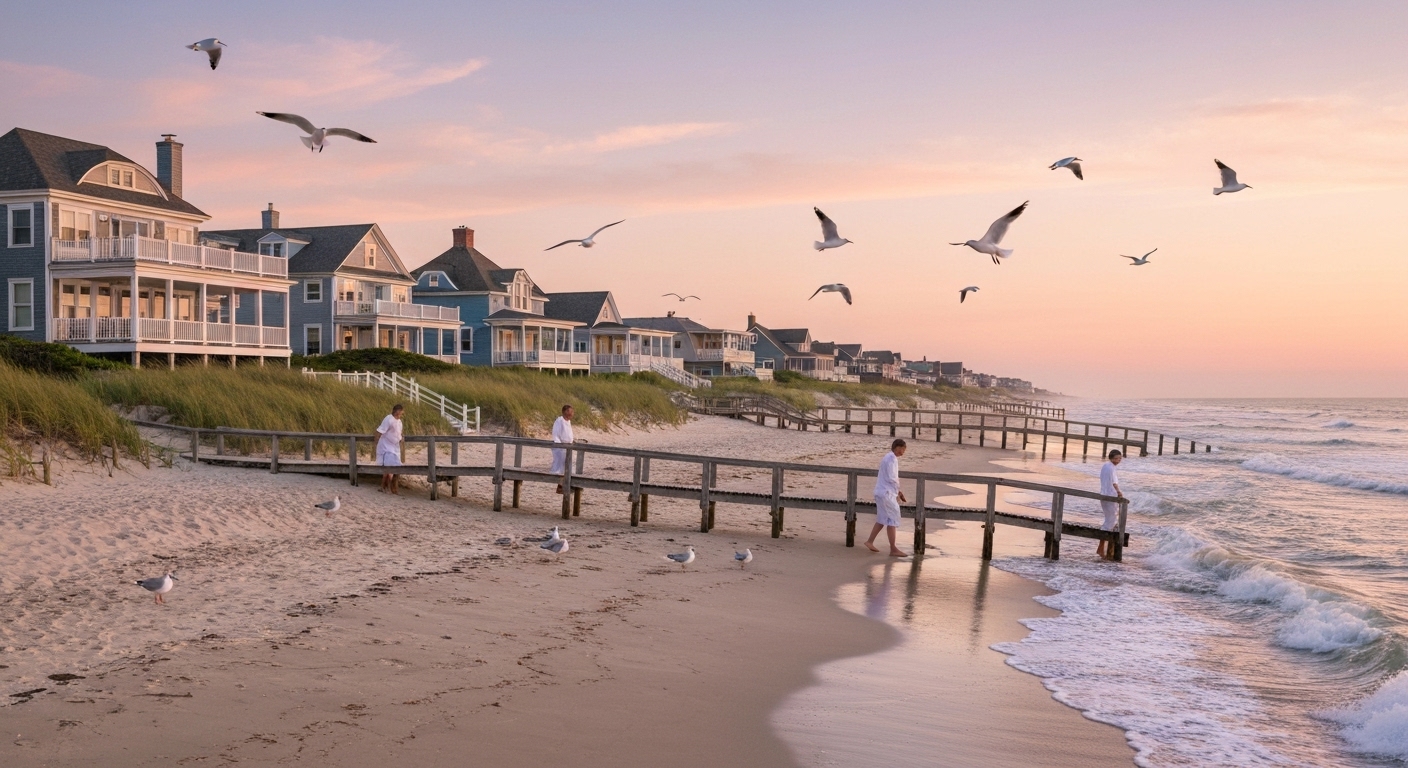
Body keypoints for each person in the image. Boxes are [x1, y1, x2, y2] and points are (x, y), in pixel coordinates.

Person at [865, 439, 909, 557]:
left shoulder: (888, 457)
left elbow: (889, 478)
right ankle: (893, 549)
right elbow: (892, 478)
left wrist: (898, 492)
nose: (903, 452)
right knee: (892, 519)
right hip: (886, 493)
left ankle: (870, 541)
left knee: (882, 519)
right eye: (903, 449)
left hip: (882, 492)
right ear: (898, 448)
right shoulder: (891, 459)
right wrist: (897, 490)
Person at [1097, 449, 1125, 560]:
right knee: (1111, 521)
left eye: (1120, 458)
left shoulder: (1105, 466)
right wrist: (1118, 492)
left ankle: (1103, 548)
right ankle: (1101, 548)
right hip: (1110, 495)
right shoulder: (1111, 468)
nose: (1119, 460)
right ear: (1112, 457)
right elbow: (1114, 482)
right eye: (1117, 458)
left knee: (1110, 520)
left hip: (1103, 494)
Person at [377, 404, 405, 494]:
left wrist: (401, 439)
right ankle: (385, 487)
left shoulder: (399, 422)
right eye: (400, 412)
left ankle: (390, 487)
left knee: (396, 467)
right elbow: (380, 431)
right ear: (397, 411)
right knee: (388, 468)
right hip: (386, 446)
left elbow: (398, 433)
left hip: (395, 447)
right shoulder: (388, 419)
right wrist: (375, 444)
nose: (401, 414)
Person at [551, 404, 575, 494]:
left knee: (569, 466)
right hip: (561, 448)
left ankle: (565, 485)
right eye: (570, 411)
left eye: (572, 411)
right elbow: (556, 434)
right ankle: (560, 487)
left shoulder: (568, 422)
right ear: (565, 412)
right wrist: (559, 446)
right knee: (562, 467)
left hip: (568, 447)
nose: (572, 413)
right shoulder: (559, 421)